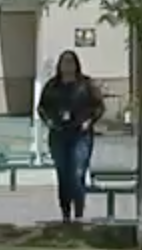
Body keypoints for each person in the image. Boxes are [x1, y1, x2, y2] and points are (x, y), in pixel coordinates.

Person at [36, 49, 104, 224]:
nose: (67, 65)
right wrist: (49, 122)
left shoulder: (86, 84)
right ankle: (65, 214)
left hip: (80, 135)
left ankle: (79, 213)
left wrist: (89, 121)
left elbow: (98, 107)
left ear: (76, 64)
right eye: (64, 62)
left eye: (70, 62)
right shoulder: (52, 86)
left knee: (77, 172)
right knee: (63, 174)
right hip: (59, 134)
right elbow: (42, 108)